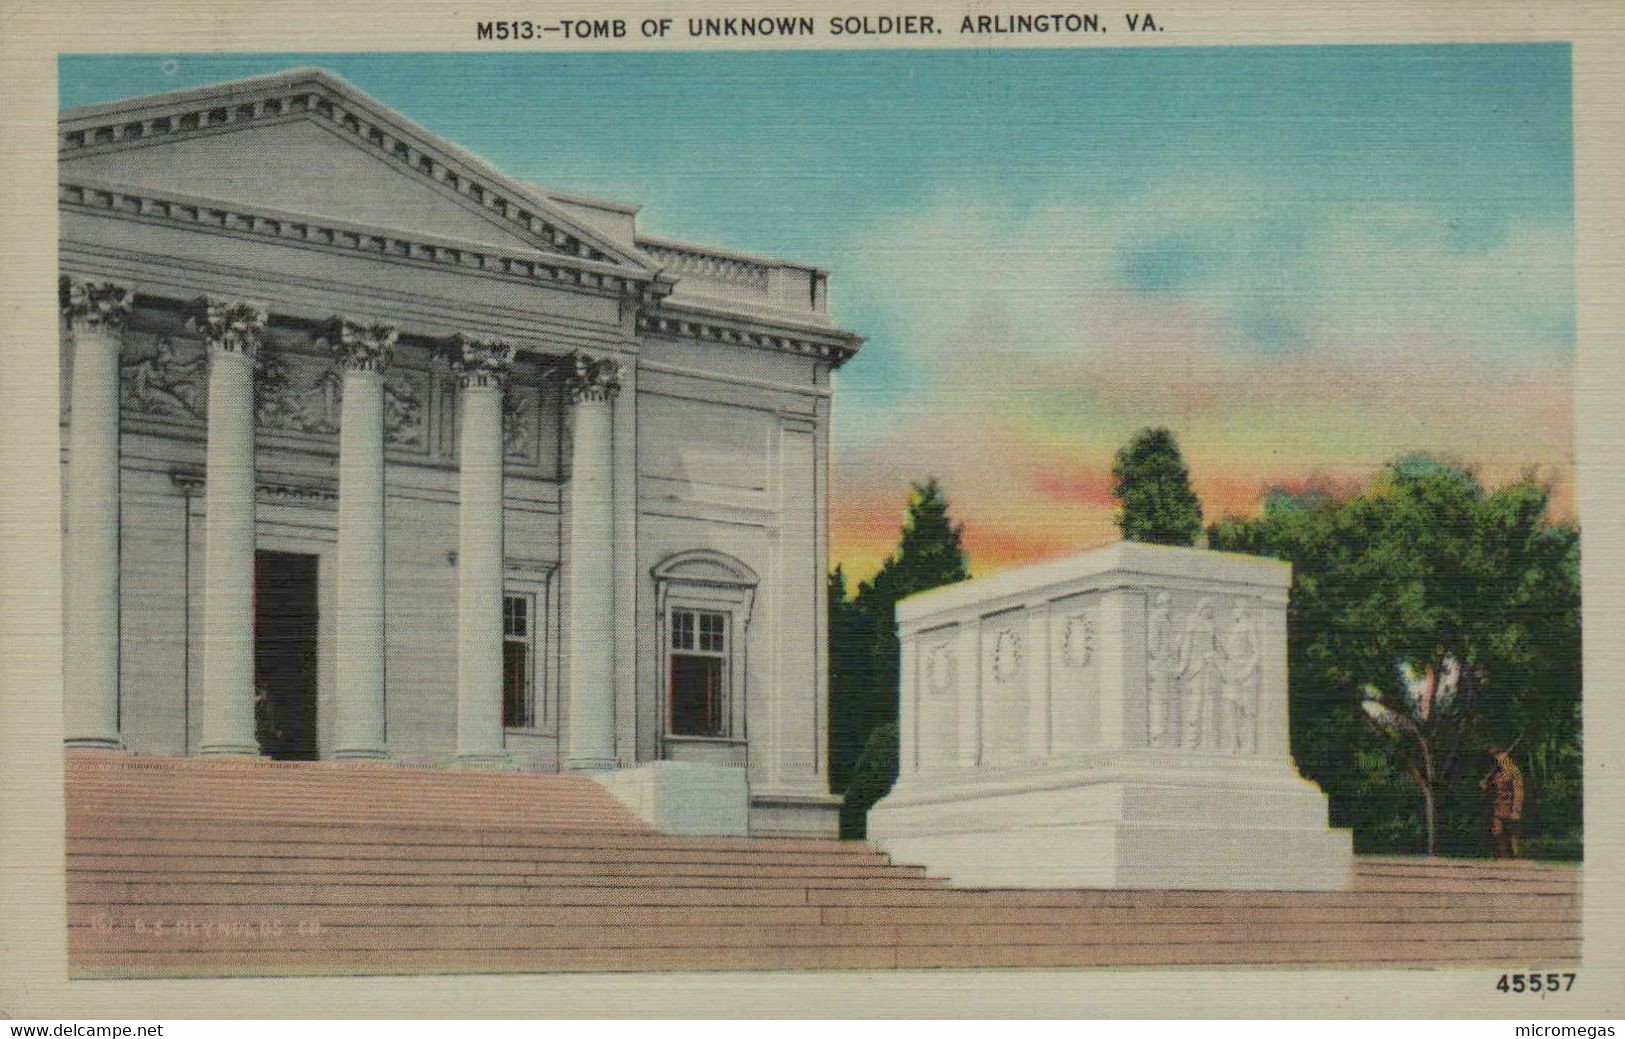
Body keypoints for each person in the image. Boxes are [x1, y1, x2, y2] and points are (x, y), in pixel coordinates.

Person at [1481, 744, 1525, 859]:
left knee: (1512, 835)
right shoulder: (1498, 773)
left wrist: (1516, 810)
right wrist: (1486, 785)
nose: (1498, 759)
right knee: (1497, 833)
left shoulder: (1514, 771)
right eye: (1496, 757)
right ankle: (1502, 859)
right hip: (1498, 807)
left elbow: (1518, 792)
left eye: (1499, 755)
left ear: (1505, 755)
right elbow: (1494, 788)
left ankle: (1516, 858)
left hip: (1509, 808)